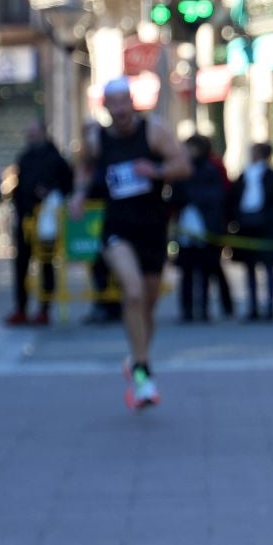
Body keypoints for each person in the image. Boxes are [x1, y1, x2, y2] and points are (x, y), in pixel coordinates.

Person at [70, 77, 189, 410]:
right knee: (132, 292)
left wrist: (156, 169)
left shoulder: (154, 131)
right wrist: (79, 194)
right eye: (114, 103)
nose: (120, 110)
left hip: (152, 227)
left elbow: (182, 165)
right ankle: (142, 374)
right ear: (105, 106)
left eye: (125, 102)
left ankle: (137, 358)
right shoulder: (97, 138)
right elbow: (84, 167)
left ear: (133, 103)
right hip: (116, 228)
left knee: (147, 304)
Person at [6, 122, 74, 326]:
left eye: (34, 133)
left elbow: (66, 184)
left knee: (46, 263)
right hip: (25, 217)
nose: (31, 137)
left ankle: (44, 309)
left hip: (46, 219)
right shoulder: (25, 157)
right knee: (21, 265)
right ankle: (21, 308)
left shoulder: (55, 158)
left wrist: (50, 191)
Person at [173, 134, 231, 323]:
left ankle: (205, 308)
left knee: (207, 271)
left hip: (206, 227)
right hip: (187, 226)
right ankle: (187, 309)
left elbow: (218, 196)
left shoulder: (211, 169)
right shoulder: (183, 170)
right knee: (187, 271)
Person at [230, 142, 273, 321]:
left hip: (266, 227)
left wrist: (268, 219)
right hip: (247, 226)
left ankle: (270, 306)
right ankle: (253, 306)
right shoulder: (245, 174)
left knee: (268, 268)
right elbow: (234, 197)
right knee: (249, 268)